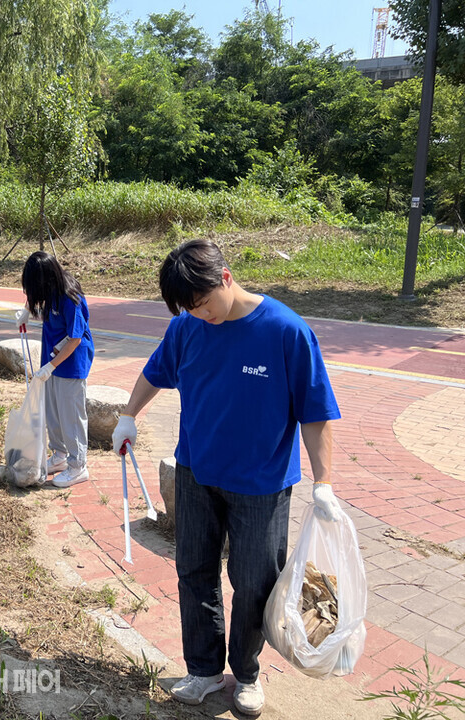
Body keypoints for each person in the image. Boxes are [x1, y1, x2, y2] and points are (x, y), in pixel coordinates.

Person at [111, 239, 344, 717]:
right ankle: (203, 670)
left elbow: (316, 413)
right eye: (190, 310)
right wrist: (128, 415)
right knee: (194, 571)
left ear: (226, 278)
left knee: (254, 582)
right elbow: (156, 372)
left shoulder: (285, 331)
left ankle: (248, 673)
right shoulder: (186, 328)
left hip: (261, 484)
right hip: (197, 472)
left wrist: (324, 483)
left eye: (204, 304)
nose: (201, 316)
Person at [15, 251, 95, 488]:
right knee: (54, 413)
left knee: (71, 416)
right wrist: (27, 311)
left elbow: (75, 338)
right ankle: (60, 455)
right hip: (51, 360)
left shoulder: (70, 298)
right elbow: (32, 296)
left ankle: (78, 465)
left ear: (45, 279)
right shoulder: (48, 288)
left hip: (71, 363)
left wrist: (51, 366)